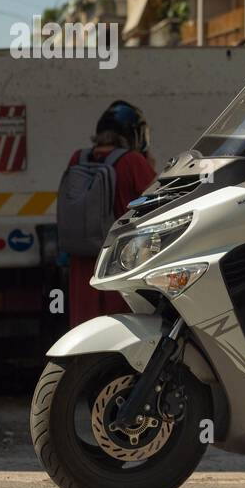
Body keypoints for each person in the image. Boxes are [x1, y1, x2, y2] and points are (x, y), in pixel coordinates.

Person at [66, 102, 156, 326]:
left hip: (82, 266)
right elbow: (159, 202)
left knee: (84, 330)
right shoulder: (133, 161)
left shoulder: (77, 159)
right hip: (119, 263)